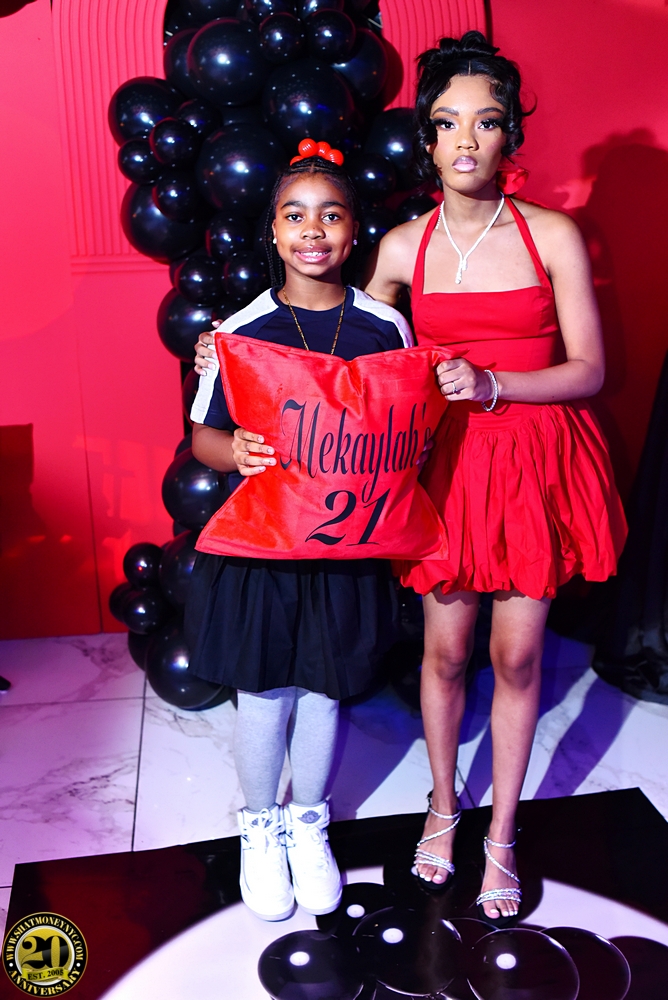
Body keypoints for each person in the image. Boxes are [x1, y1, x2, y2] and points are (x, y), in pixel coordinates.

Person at [195, 33, 627, 926]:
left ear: (509, 136)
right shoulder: (398, 248)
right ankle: (441, 807)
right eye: (448, 123)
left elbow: (592, 369)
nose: (467, 139)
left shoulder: (553, 235)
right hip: (444, 470)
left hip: (533, 462)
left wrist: (497, 384)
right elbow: (339, 364)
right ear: (426, 140)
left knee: (517, 657)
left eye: (487, 122)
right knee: (445, 654)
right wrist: (226, 355)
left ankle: (501, 835)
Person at [187, 147, 413, 923]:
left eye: (330, 214)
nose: (312, 230)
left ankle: (308, 821)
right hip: (266, 549)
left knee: (324, 689)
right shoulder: (241, 331)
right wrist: (236, 452)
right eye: (295, 215)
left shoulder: (385, 326)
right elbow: (203, 437)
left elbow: (405, 430)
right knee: (265, 692)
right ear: (274, 233)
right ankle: (260, 825)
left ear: (353, 231)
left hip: (346, 550)